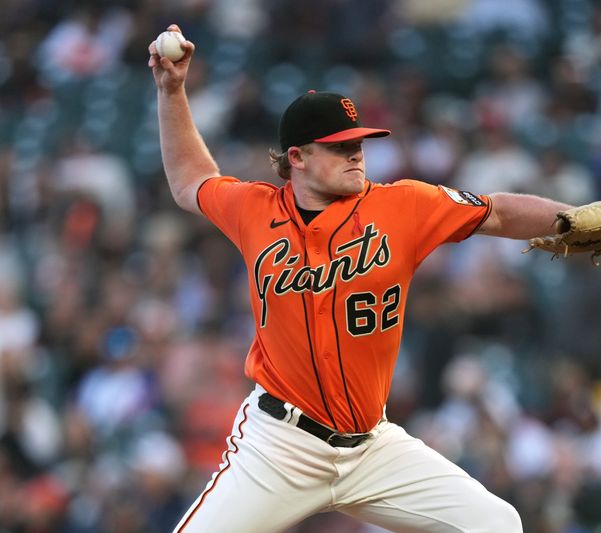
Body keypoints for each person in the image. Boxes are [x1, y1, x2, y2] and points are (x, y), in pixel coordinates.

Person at [150, 24, 574, 533]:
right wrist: (171, 92)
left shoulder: (403, 205)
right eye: (339, 146)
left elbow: (498, 213)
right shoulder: (253, 209)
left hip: (372, 445)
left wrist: (573, 220)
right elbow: (190, 181)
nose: (356, 153)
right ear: (297, 158)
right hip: (280, 444)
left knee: (497, 525)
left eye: (359, 142)